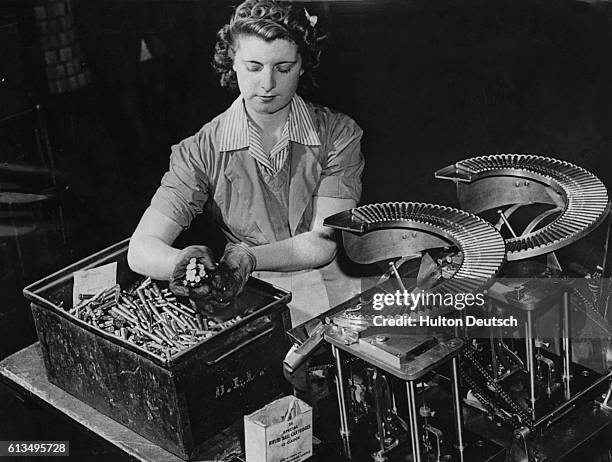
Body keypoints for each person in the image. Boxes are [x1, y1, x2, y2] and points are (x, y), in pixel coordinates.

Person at [127, 0, 364, 326]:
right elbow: (140, 248)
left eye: (283, 68)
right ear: (232, 63)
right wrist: (181, 261)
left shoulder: (338, 134)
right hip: (256, 299)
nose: (267, 84)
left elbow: (323, 242)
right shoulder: (200, 150)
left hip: (334, 291)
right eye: (254, 67)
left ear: (302, 66)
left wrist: (250, 257)